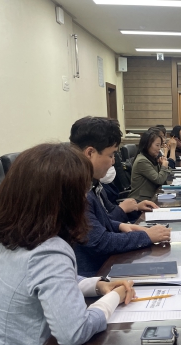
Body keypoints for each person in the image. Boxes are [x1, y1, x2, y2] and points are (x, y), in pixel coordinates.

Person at [0, 143, 136, 345]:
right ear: (64, 200)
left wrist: (98, 285)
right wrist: (115, 297)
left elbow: (41, 281)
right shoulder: (49, 249)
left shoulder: (13, 236)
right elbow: (75, 332)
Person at [70, 116, 170, 276]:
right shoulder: (77, 192)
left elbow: (100, 220)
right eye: (111, 155)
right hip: (96, 274)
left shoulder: (92, 184)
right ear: (90, 153)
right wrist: (146, 236)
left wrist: (120, 226)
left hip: (106, 264)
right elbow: (100, 242)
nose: (113, 162)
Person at [129, 129, 173, 201]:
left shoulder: (151, 158)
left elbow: (168, 175)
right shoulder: (142, 161)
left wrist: (162, 165)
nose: (159, 148)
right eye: (157, 145)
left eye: (160, 145)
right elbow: (159, 180)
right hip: (140, 201)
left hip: (152, 197)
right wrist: (164, 166)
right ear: (147, 144)